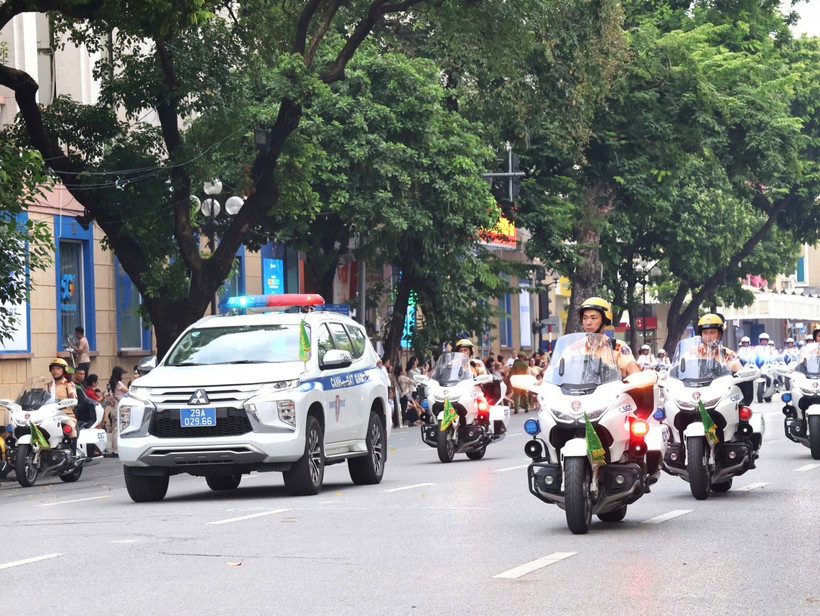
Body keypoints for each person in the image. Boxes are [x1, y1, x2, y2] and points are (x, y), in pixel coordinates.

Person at [578, 297, 641, 376]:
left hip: (611, 388)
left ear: (605, 321)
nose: (588, 323)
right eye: (585, 318)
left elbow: (635, 373)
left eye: (593, 318)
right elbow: (558, 374)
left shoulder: (617, 347)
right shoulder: (574, 349)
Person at [46, 358, 78, 455]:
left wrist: (71, 400)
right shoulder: (48, 386)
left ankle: (73, 455)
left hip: (66, 415)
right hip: (50, 416)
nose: (55, 371)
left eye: (57, 368)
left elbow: (73, 397)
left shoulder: (69, 384)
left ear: (64, 370)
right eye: (53, 369)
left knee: (70, 429)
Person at [103, 366, 129, 458]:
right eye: (122, 374)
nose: (122, 376)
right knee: (119, 430)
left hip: (113, 409)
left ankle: (114, 449)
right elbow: (128, 392)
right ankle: (118, 450)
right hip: (121, 408)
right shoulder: (119, 383)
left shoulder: (110, 384)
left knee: (114, 430)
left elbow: (106, 395)